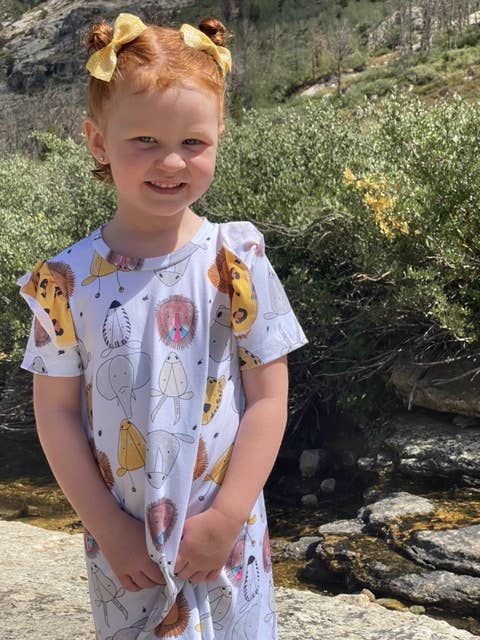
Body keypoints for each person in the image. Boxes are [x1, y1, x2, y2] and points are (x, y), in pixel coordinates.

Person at [18, 12, 307, 640]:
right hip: (125, 546)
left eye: (193, 142)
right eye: (145, 140)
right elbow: (56, 415)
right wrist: (108, 529)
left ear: (219, 137)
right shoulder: (64, 281)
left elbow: (268, 399)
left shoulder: (237, 260)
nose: (171, 161)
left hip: (227, 538)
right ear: (98, 142)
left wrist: (226, 518)